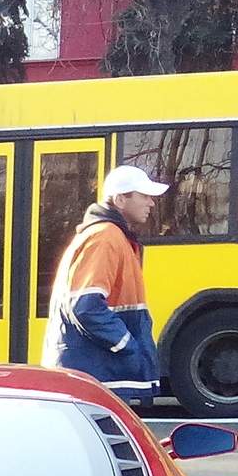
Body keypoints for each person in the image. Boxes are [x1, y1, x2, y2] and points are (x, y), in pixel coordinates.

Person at [41, 164, 165, 403]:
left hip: (99, 372)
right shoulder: (105, 236)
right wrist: (127, 346)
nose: (151, 203)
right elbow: (85, 306)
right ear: (120, 200)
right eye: (145, 196)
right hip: (97, 374)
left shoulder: (111, 236)